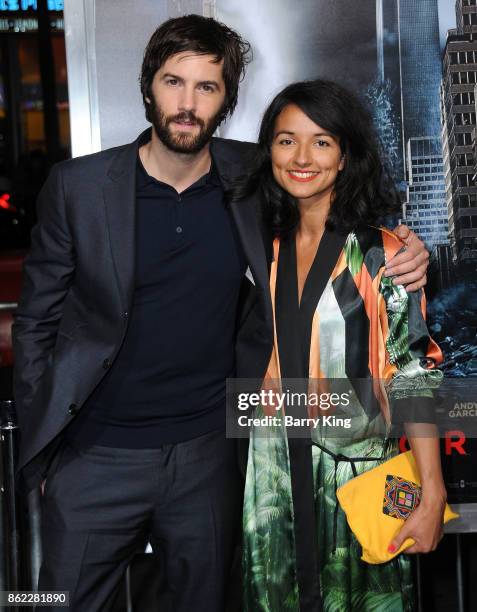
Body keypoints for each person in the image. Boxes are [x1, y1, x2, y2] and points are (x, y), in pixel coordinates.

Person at [12, 15, 428, 612]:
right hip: (93, 458)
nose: (187, 104)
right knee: (53, 602)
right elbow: (35, 325)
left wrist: (407, 249)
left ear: (227, 99)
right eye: (173, 82)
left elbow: (342, 212)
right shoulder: (78, 186)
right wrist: (47, 450)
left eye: (206, 87)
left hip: (209, 457)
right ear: (148, 87)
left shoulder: (255, 175)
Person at [239, 80, 446, 612]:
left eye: (321, 141)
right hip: (269, 487)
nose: (302, 157)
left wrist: (432, 490)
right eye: (287, 141)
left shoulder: (384, 253)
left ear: (346, 153)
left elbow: (414, 374)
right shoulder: (260, 246)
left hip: (359, 482)